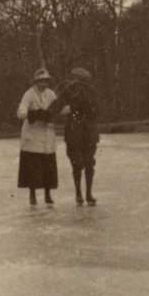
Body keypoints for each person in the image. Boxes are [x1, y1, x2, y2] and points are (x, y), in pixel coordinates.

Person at [49, 67, 100, 206]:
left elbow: (96, 110)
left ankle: (86, 194)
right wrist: (61, 109)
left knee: (87, 163)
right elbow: (54, 108)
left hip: (85, 133)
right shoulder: (69, 91)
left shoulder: (88, 91)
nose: (78, 83)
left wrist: (72, 108)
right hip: (77, 133)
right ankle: (81, 194)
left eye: (80, 81)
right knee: (79, 164)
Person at [16, 68, 59, 206]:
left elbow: (59, 108)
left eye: (46, 81)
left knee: (48, 167)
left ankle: (47, 194)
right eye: (41, 81)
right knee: (33, 168)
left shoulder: (51, 94)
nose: (44, 84)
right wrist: (32, 114)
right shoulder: (29, 94)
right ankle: (32, 194)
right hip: (33, 136)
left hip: (46, 136)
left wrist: (70, 109)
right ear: (36, 82)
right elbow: (20, 112)